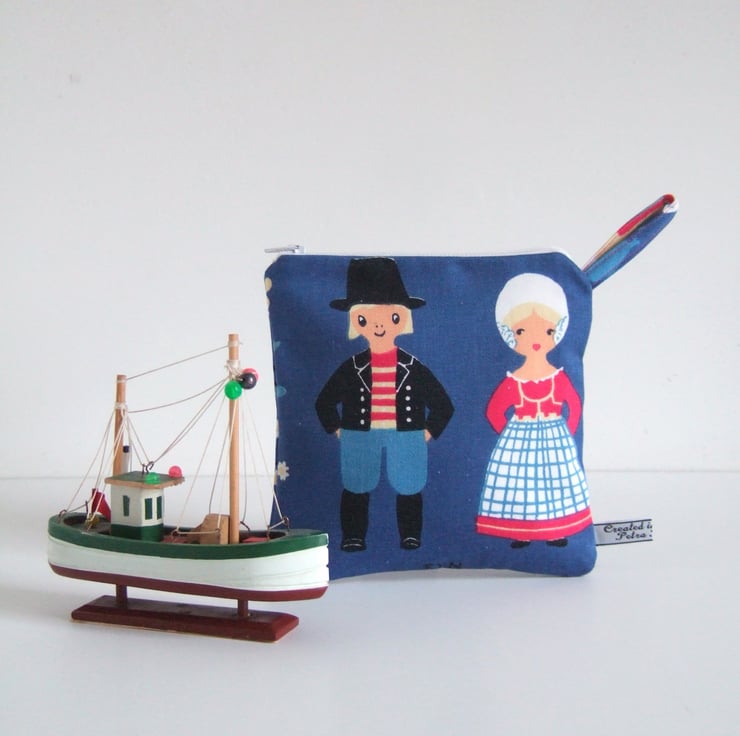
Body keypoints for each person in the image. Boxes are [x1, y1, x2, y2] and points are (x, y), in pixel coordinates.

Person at [316, 257, 454, 552]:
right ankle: (353, 536)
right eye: (366, 319)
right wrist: (339, 430)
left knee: (410, 485)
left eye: (391, 317)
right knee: (356, 485)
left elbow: (443, 404)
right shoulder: (352, 368)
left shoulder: (412, 367)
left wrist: (427, 432)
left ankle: (410, 536)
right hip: (359, 434)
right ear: (356, 322)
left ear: (402, 320)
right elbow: (324, 402)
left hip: (406, 433)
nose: (379, 325)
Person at [476, 273, 592, 547]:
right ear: (511, 335)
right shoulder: (513, 382)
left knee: (555, 480)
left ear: (557, 333)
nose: (536, 339)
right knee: (521, 482)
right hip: (522, 434)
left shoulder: (558, 378)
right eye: (522, 332)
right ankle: (521, 531)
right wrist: (512, 435)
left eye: (547, 331)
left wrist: (565, 433)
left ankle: (555, 530)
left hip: (553, 435)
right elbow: (494, 411)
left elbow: (574, 406)